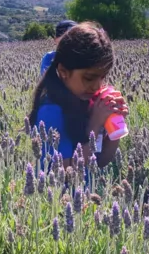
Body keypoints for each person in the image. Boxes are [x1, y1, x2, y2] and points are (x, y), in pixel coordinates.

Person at [29, 22, 129, 177]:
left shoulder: (83, 100)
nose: (96, 86)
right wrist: (95, 123)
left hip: (85, 197)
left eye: (102, 77)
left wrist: (114, 128)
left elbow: (100, 162)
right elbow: (61, 173)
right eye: (89, 78)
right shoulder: (51, 111)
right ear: (63, 71)